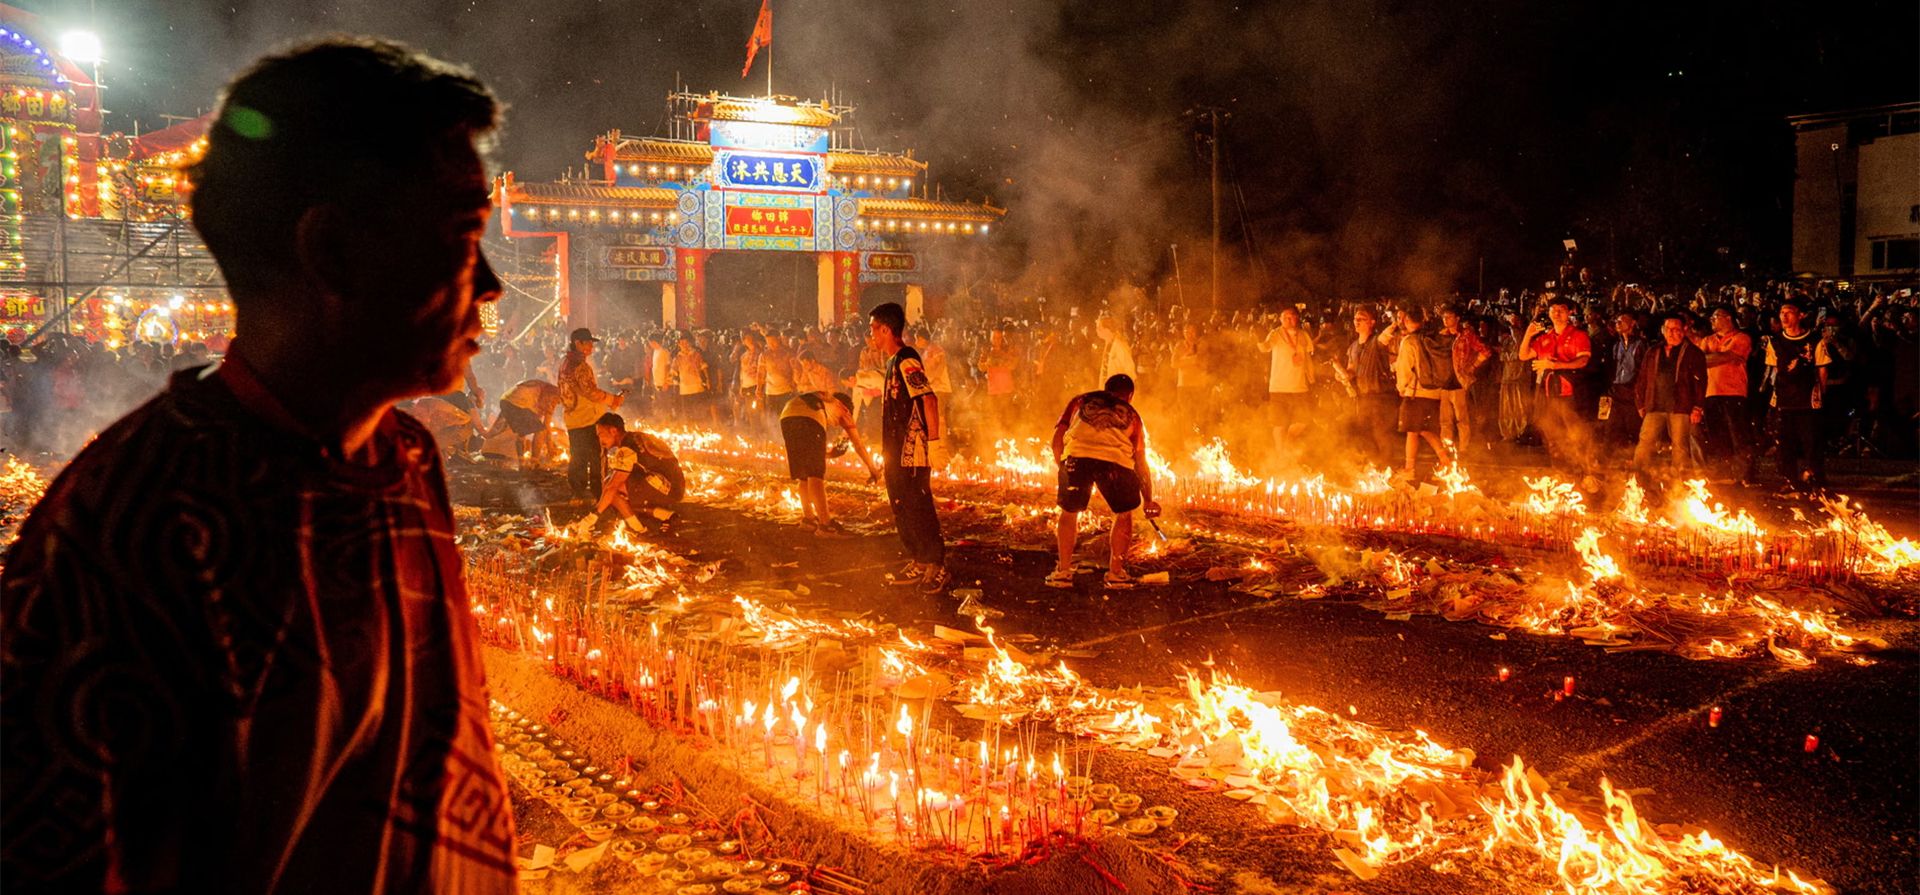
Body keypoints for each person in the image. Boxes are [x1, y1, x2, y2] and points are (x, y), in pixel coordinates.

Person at [1, 38, 516, 892]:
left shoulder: (407, 457)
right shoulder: (131, 530)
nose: (492, 283)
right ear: (333, 254)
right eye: (464, 235)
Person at [1045, 374, 1161, 589]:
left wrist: (1062, 466)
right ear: (1130, 396)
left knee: (1069, 513)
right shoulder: (1133, 415)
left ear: (1105, 389)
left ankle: (1062, 572)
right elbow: (1140, 462)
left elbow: (1057, 439)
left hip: (1077, 458)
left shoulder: (1081, 400)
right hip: (1116, 464)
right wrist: (1148, 500)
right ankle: (1116, 574)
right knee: (1123, 514)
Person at [870, 302, 949, 593]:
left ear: (886, 329)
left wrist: (935, 443)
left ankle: (936, 564)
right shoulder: (891, 363)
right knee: (901, 507)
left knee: (918, 505)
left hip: (912, 450)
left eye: (874, 330)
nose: (872, 337)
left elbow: (929, 399)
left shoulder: (907, 359)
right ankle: (918, 558)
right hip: (894, 451)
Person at [780, 388, 881, 537]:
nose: (836, 425)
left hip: (787, 416)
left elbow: (827, 450)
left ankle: (808, 520)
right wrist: (873, 469)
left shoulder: (825, 400)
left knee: (804, 474)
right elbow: (858, 445)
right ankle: (825, 525)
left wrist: (824, 454)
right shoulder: (844, 410)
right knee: (815, 474)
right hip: (808, 418)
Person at [574, 411, 687, 535]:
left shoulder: (626, 449)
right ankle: (666, 515)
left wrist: (593, 517)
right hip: (676, 486)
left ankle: (639, 529)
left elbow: (612, 486)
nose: (599, 439)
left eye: (600, 434)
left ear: (613, 431)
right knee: (618, 495)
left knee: (613, 491)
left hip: (666, 488)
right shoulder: (638, 436)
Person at [1520, 296, 1593, 475]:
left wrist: (1555, 365)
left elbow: (1583, 361)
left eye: (1561, 310)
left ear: (1569, 312)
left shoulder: (1578, 335)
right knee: (1552, 435)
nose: (1557, 314)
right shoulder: (1546, 337)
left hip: (1571, 394)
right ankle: (1560, 472)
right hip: (1549, 393)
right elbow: (1523, 355)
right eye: (1553, 310)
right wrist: (1528, 334)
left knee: (1575, 433)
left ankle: (1584, 472)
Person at [1630, 315, 1707, 482]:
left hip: (1681, 406)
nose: (1672, 333)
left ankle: (1678, 482)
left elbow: (1701, 382)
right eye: (1668, 329)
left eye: (1676, 329)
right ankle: (1637, 479)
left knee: (1680, 446)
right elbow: (1642, 378)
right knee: (1645, 442)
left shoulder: (1693, 353)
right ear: (1663, 331)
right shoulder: (1654, 351)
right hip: (1654, 405)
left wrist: (1697, 407)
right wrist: (1640, 403)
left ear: (1684, 331)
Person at [1765, 299, 1831, 493]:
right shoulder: (1774, 341)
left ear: (1801, 315)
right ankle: (1791, 480)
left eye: (1789, 312)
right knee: (1785, 443)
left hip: (1808, 399)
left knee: (1811, 442)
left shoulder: (1814, 340)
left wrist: (1820, 394)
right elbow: (1776, 370)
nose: (1784, 316)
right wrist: (1775, 396)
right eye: (1781, 312)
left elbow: (1822, 370)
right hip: (1785, 399)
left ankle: (1816, 479)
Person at [1697, 306, 1758, 484]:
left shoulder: (1741, 338)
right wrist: (1718, 356)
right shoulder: (1708, 339)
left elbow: (1727, 357)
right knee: (1718, 435)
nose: (1712, 320)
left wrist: (1713, 357)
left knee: (1739, 435)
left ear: (1728, 318)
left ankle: (1746, 474)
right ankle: (1726, 472)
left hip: (1734, 392)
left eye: (1716, 316)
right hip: (1711, 392)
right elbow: (1699, 361)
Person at [561, 327, 622, 499]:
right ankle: (600, 492)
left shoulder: (565, 362)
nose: (591, 347)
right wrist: (612, 400)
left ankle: (578, 493)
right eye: (587, 343)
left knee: (578, 457)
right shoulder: (579, 365)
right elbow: (590, 391)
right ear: (577, 343)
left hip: (573, 418)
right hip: (589, 418)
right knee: (597, 457)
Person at [1392, 305, 1452, 476]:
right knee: (1423, 430)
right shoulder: (1433, 338)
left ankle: (1410, 469)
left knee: (1414, 431)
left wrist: (1401, 387)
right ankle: (1445, 461)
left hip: (1416, 392)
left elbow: (1404, 367)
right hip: (1435, 392)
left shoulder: (1410, 341)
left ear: (1407, 320)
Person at [1259, 307, 1315, 458]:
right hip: (1278, 387)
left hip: (1300, 387)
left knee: (1303, 421)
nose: (1289, 320)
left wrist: (1312, 377)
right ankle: (1279, 454)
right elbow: (1265, 347)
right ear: (1280, 320)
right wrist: (1258, 339)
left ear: (1297, 318)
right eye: (1285, 318)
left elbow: (1308, 357)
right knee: (1279, 423)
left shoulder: (1303, 335)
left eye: (1292, 317)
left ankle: (1289, 442)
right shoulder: (1276, 334)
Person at [1440, 304, 1491, 455]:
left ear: (1457, 318)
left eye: (1449, 317)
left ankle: (1464, 448)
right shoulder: (1441, 336)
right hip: (1443, 382)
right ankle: (1446, 449)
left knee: (1462, 419)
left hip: (1460, 382)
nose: (1445, 320)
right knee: (1445, 421)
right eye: (1444, 317)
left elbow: (1485, 351)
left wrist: (1473, 366)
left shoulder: (1466, 335)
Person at [488, 377, 563, 469]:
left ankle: (521, 463)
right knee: (541, 431)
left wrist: (488, 434)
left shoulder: (541, 387)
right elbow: (546, 425)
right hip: (519, 404)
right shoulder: (553, 394)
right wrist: (550, 447)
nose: (557, 403)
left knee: (522, 432)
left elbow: (538, 419)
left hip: (505, 401)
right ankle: (534, 462)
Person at [1602, 311, 1647, 451]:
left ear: (1633, 323)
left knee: (1634, 429)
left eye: (1622, 320)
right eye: (1616, 321)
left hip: (1633, 392)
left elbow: (1643, 370)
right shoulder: (1617, 345)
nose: (1618, 323)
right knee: (1612, 429)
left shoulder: (1640, 344)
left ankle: (1636, 462)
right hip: (1617, 392)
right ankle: (1614, 463)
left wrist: (1639, 391)